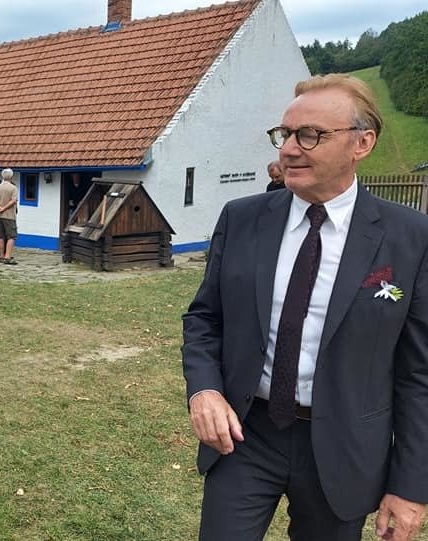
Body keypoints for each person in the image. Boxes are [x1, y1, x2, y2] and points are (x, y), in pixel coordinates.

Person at [183, 73, 428, 541]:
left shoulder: (410, 238)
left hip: (345, 448)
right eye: (285, 134)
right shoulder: (243, 218)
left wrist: (411, 485)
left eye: (310, 135)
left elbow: (419, 373)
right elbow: (204, 319)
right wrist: (204, 391)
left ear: (363, 143)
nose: (290, 149)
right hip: (245, 435)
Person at [0, 168, 18, 265]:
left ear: (2, 176)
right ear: (11, 176)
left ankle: (1, 255)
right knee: (11, 237)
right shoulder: (13, 188)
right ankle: (7, 256)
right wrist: (4, 208)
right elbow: (13, 201)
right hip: (9, 216)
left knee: (0, 236)